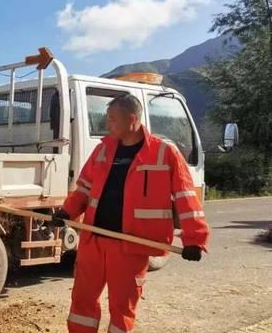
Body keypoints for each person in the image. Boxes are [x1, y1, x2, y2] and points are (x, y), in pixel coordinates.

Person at [51, 94, 209, 333]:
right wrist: (67, 211)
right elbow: (84, 186)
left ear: (132, 119)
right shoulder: (103, 150)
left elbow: (187, 199)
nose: (108, 125)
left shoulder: (165, 153)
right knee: (82, 303)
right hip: (94, 241)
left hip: (130, 246)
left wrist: (195, 240)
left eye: (112, 119)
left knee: (121, 309)